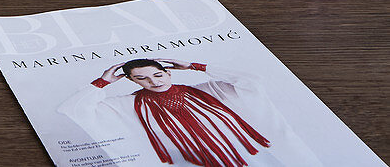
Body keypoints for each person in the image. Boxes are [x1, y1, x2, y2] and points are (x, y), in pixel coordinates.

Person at [57, 57, 323, 167]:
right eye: (143, 79)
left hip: (249, 158)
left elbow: (252, 81)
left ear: (168, 71)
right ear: (133, 81)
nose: (154, 82)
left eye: (158, 74)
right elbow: (72, 108)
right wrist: (103, 81)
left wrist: (195, 66)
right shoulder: (126, 104)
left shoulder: (210, 89)